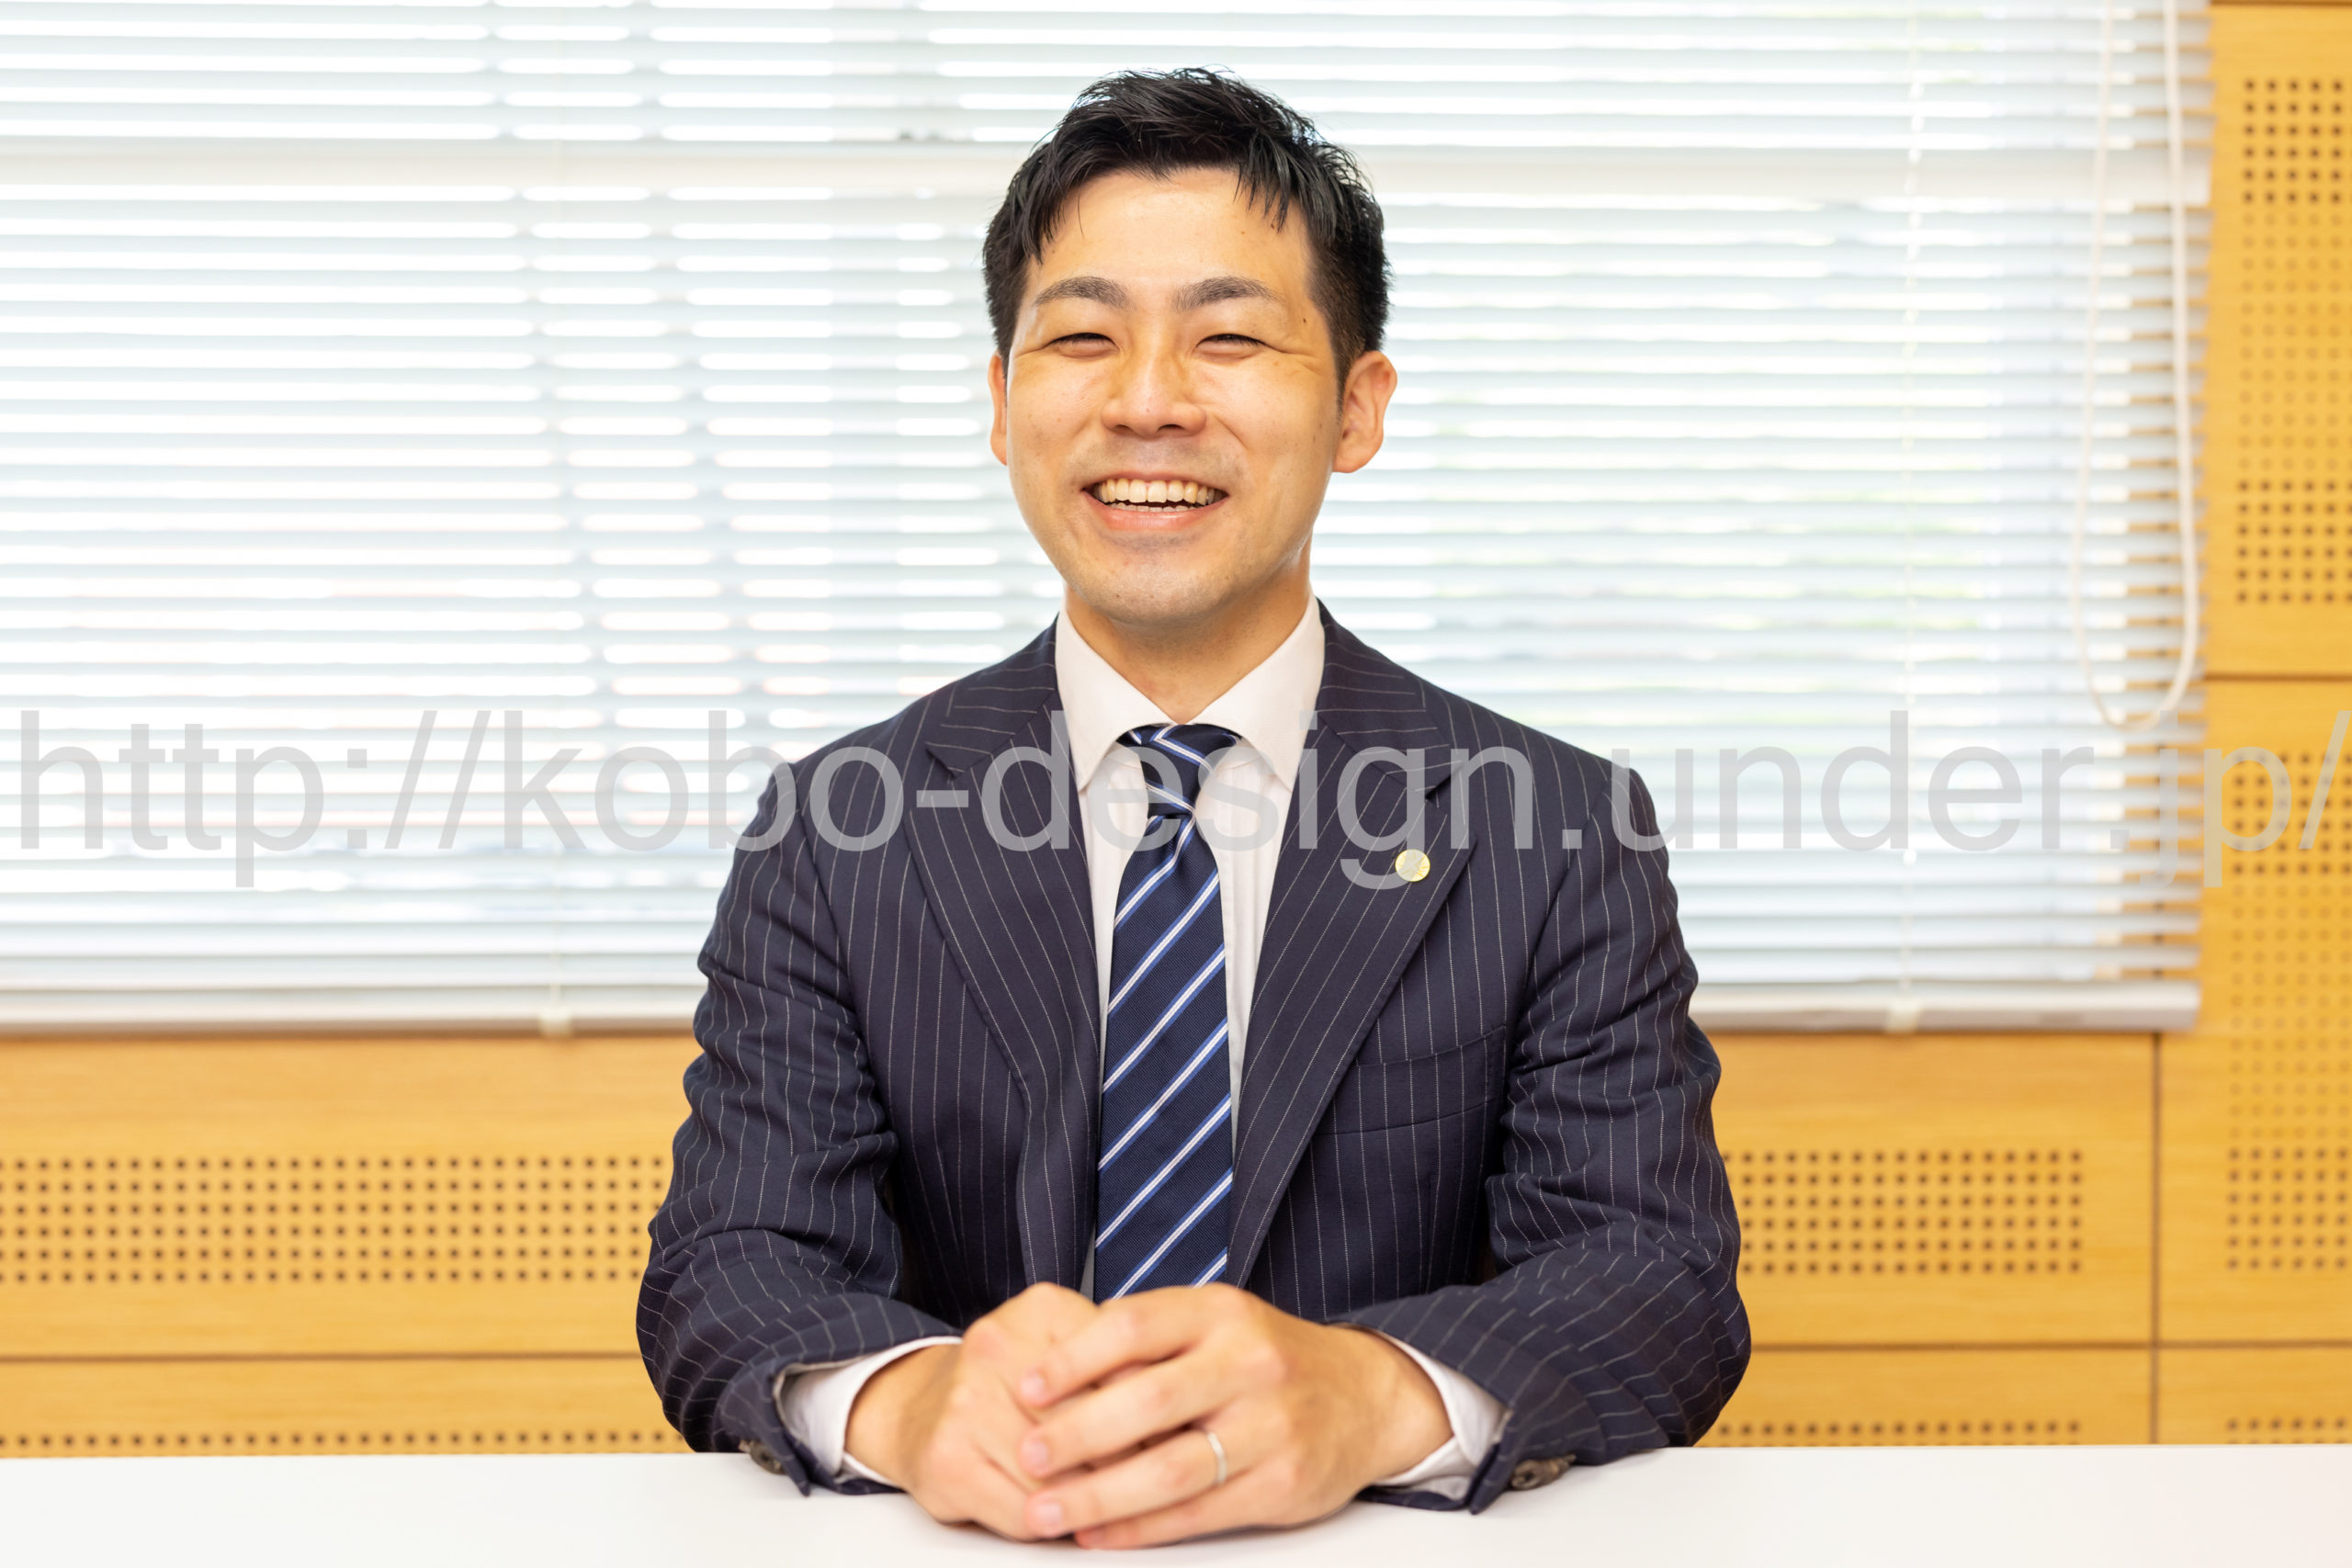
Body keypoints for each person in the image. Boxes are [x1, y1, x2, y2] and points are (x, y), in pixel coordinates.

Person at [639, 67, 1746, 1550]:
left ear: (1356, 408)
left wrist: (1365, 1396)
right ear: (1002, 403)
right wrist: (911, 1403)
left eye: (1229, 338)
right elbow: (730, 1264)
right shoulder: (836, 831)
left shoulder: (1553, 831)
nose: (1148, 401)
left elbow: (1654, 1280)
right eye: (1082, 337)